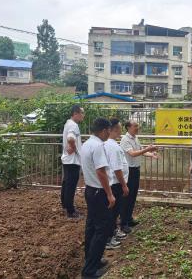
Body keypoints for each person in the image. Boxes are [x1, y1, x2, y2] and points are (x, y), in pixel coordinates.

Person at [80, 118, 115, 278]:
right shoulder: (98, 146)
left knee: (92, 227)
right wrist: (109, 194)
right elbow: (101, 172)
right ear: (103, 130)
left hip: (90, 190)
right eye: (109, 130)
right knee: (102, 230)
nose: (110, 132)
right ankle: (90, 271)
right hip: (99, 192)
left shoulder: (87, 144)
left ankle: (91, 260)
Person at [119, 120, 157, 234]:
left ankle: (129, 218)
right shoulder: (125, 140)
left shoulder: (135, 138)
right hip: (128, 171)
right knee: (126, 196)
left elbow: (141, 151)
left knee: (133, 195)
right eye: (135, 126)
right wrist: (147, 149)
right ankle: (123, 223)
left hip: (135, 170)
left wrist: (151, 154)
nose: (137, 127)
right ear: (128, 128)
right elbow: (133, 153)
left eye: (137, 126)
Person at [104, 118, 130, 250]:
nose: (121, 130)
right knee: (112, 213)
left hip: (115, 183)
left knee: (115, 212)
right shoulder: (112, 146)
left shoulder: (112, 144)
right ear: (114, 129)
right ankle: (109, 238)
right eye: (120, 128)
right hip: (115, 184)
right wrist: (124, 185)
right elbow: (116, 168)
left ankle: (113, 232)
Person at [60, 104, 85, 218]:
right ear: (76, 114)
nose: (83, 116)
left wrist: (72, 147)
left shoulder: (68, 123)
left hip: (68, 160)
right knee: (71, 185)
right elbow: (70, 138)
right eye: (82, 113)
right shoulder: (73, 125)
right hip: (73, 160)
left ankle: (65, 204)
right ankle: (70, 211)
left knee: (66, 183)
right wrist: (74, 148)